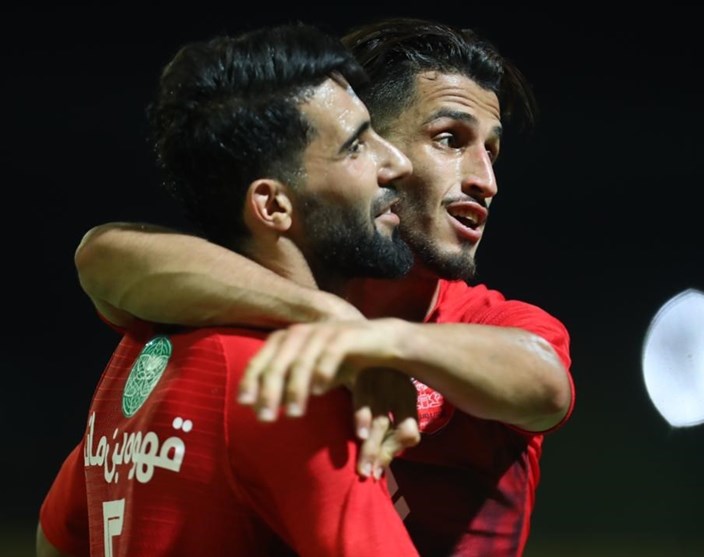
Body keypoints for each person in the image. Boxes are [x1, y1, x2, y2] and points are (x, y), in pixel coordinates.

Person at [73, 17, 576, 557]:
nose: (486, 180)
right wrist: (330, 320)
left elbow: (545, 383)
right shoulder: (260, 345)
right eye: (449, 139)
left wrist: (380, 343)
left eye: (491, 151)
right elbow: (103, 255)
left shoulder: (491, 323)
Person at [37, 22, 423, 557]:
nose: (398, 163)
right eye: (356, 145)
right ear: (272, 205)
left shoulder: (140, 354)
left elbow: (56, 539)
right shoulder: (284, 385)